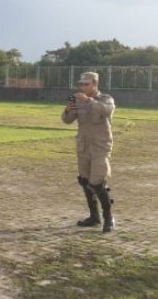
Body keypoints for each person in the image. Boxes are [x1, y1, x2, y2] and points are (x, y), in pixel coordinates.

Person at [63, 72, 116, 233]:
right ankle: (94, 217)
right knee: (85, 181)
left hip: (100, 146)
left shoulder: (105, 99)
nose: (82, 87)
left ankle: (108, 218)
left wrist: (89, 101)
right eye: (81, 84)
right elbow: (67, 120)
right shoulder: (78, 100)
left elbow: (107, 111)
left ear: (94, 84)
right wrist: (68, 109)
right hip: (83, 146)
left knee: (97, 182)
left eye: (86, 84)